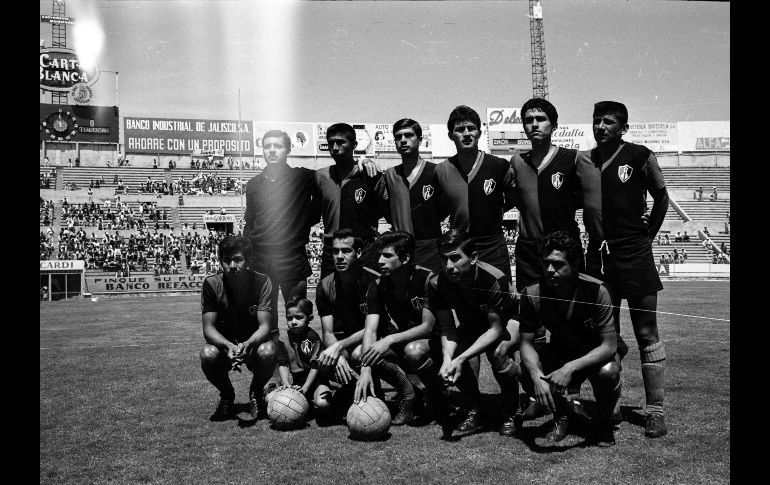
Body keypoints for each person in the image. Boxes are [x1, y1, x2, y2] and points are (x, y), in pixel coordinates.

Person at [579, 101, 669, 438]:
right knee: (606, 336)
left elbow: (661, 197)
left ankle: (655, 411)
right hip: (598, 256)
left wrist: (648, 236)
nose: (600, 126)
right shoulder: (584, 161)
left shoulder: (640, 155)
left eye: (608, 122)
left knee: (646, 332)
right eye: (596, 120)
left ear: (623, 128)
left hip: (634, 251)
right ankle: (611, 407)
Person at [518, 231, 621, 446]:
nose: (549, 270)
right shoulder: (532, 293)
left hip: (594, 353)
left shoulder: (597, 290)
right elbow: (526, 344)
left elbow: (609, 346)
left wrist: (570, 368)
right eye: (545, 263)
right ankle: (563, 415)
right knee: (525, 372)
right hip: (561, 349)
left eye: (557, 264)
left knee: (609, 372)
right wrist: (537, 375)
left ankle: (603, 423)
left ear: (575, 264)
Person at [429, 229, 522, 436]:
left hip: (508, 321)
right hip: (473, 322)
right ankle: (474, 407)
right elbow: (448, 327)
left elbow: (496, 329)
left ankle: (510, 411)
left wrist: (461, 357)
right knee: (454, 357)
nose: (448, 266)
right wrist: (448, 359)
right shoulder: (437, 283)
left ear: (473, 258)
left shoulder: (493, 279)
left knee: (498, 353)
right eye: (444, 259)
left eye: (455, 258)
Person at [354, 231, 447, 425]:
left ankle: (437, 393)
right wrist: (365, 369)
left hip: (436, 348)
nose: (380, 261)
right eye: (379, 255)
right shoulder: (378, 284)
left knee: (413, 350)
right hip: (404, 345)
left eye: (387, 255)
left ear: (405, 258)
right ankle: (409, 393)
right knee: (359, 354)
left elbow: (427, 327)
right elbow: (370, 330)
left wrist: (389, 339)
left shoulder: (427, 279)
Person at [315, 229, 408, 419]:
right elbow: (327, 332)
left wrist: (339, 346)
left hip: (379, 337)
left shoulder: (375, 280)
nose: (339, 256)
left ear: (358, 253)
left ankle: (405, 391)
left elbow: (372, 328)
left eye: (346, 251)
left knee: (359, 353)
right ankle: (352, 390)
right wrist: (337, 354)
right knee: (327, 362)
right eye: (335, 251)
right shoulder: (325, 285)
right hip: (348, 342)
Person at [243, 130, 316, 333]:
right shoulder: (253, 185)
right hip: (261, 260)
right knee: (267, 320)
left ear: (288, 149)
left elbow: (331, 176)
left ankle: (299, 364)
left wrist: (361, 163)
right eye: (267, 146)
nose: (272, 151)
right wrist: (248, 247)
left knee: (297, 318)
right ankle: (276, 364)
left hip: (292, 259)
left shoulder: (302, 177)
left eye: (278, 146)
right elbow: (250, 220)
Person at [199, 236, 278, 421]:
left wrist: (248, 344)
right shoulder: (211, 284)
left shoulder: (262, 282)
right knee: (207, 353)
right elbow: (208, 329)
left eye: (238, 259)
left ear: (248, 261)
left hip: (252, 346)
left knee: (269, 350)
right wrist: (228, 347)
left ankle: (255, 392)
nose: (232, 265)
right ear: (220, 261)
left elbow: (265, 326)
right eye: (226, 260)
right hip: (224, 347)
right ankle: (227, 395)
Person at [433, 106, 516, 280]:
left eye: (471, 128)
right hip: (459, 248)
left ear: (480, 132)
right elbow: (438, 208)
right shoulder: (440, 171)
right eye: (460, 129)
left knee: (502, 296)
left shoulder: (499, 166)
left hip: (493, 245)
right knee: (464, 300)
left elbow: (513, 198)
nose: (466, 133)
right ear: (450, 135)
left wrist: (495, 209)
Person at [374, 118, 446, 273]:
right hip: (401, 249)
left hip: (430, 247)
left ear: (419, 139)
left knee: (431, 293)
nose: (403, 140)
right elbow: (385, 210)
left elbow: (444, 208)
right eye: (398, 137)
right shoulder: (390, 175)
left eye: (408, 135)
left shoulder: (436, 171)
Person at [313, 123, 384, 279]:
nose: (335, 147)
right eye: (331, 143)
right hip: (331, 246)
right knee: (329, 295)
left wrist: (365, 160)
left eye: (340, 142)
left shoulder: (370, 175)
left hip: (363, 246)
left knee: (366, 297)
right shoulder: (320, 176)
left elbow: (383, 209)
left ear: (354, 145)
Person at [273, 296, 333, 416]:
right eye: (290, 318)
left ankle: (336, 399)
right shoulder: (283, 339)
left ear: (309, 318)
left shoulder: (313, 337)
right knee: (269, 399)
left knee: (323, 404)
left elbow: (315, 366)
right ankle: (306, 404)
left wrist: (305, 388)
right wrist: (286, 384)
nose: (294, 322)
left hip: (316, 383)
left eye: (299, 317)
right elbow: (283, 363)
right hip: (297, 384)